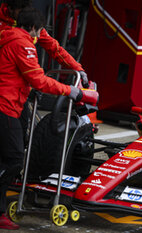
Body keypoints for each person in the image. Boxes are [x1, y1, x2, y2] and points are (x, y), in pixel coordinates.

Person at [0, 8, 96, 229]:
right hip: (6, 106)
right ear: (34, 28)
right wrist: (73, 92)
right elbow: (39, 80)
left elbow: (53, 47)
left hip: (12, 104)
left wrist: (76, 68)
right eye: (40, 30)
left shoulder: (11, 34)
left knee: (10, 155)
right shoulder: (23, 43)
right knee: (14, 159)